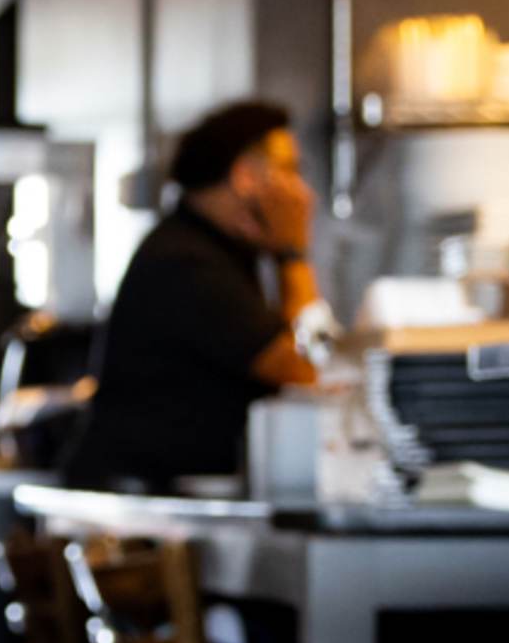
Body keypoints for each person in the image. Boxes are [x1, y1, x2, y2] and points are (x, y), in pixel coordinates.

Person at [58, 99, 327, 492]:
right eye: (290, 171)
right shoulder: (187, 262)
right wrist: (293, 254)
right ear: (246, 176)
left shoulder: (217, 250)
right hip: (133, 510)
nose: (304, 194)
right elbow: (303, 371)